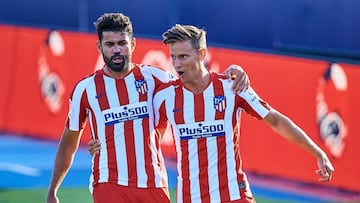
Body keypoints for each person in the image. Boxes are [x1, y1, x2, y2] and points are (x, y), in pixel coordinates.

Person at [46, 13, 249, 203]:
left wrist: (234, 72)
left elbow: (197, 82)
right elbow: (69, 142)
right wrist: (52, 190)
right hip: (109, 182)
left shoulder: (156, 78)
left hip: (153, 183)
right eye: (109, 44)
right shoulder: (85, 89)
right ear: (99, 46)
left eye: (122, 43)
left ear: (133, 44)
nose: (116, 49)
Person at [151, 24, 334, 202]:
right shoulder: (165, 96)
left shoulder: (232, 86)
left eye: (183, 56)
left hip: (234, 196)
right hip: (191, 197)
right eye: (173, 57)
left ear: (202, 54)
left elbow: (276, 121)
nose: (176, 63)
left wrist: (318, 153)